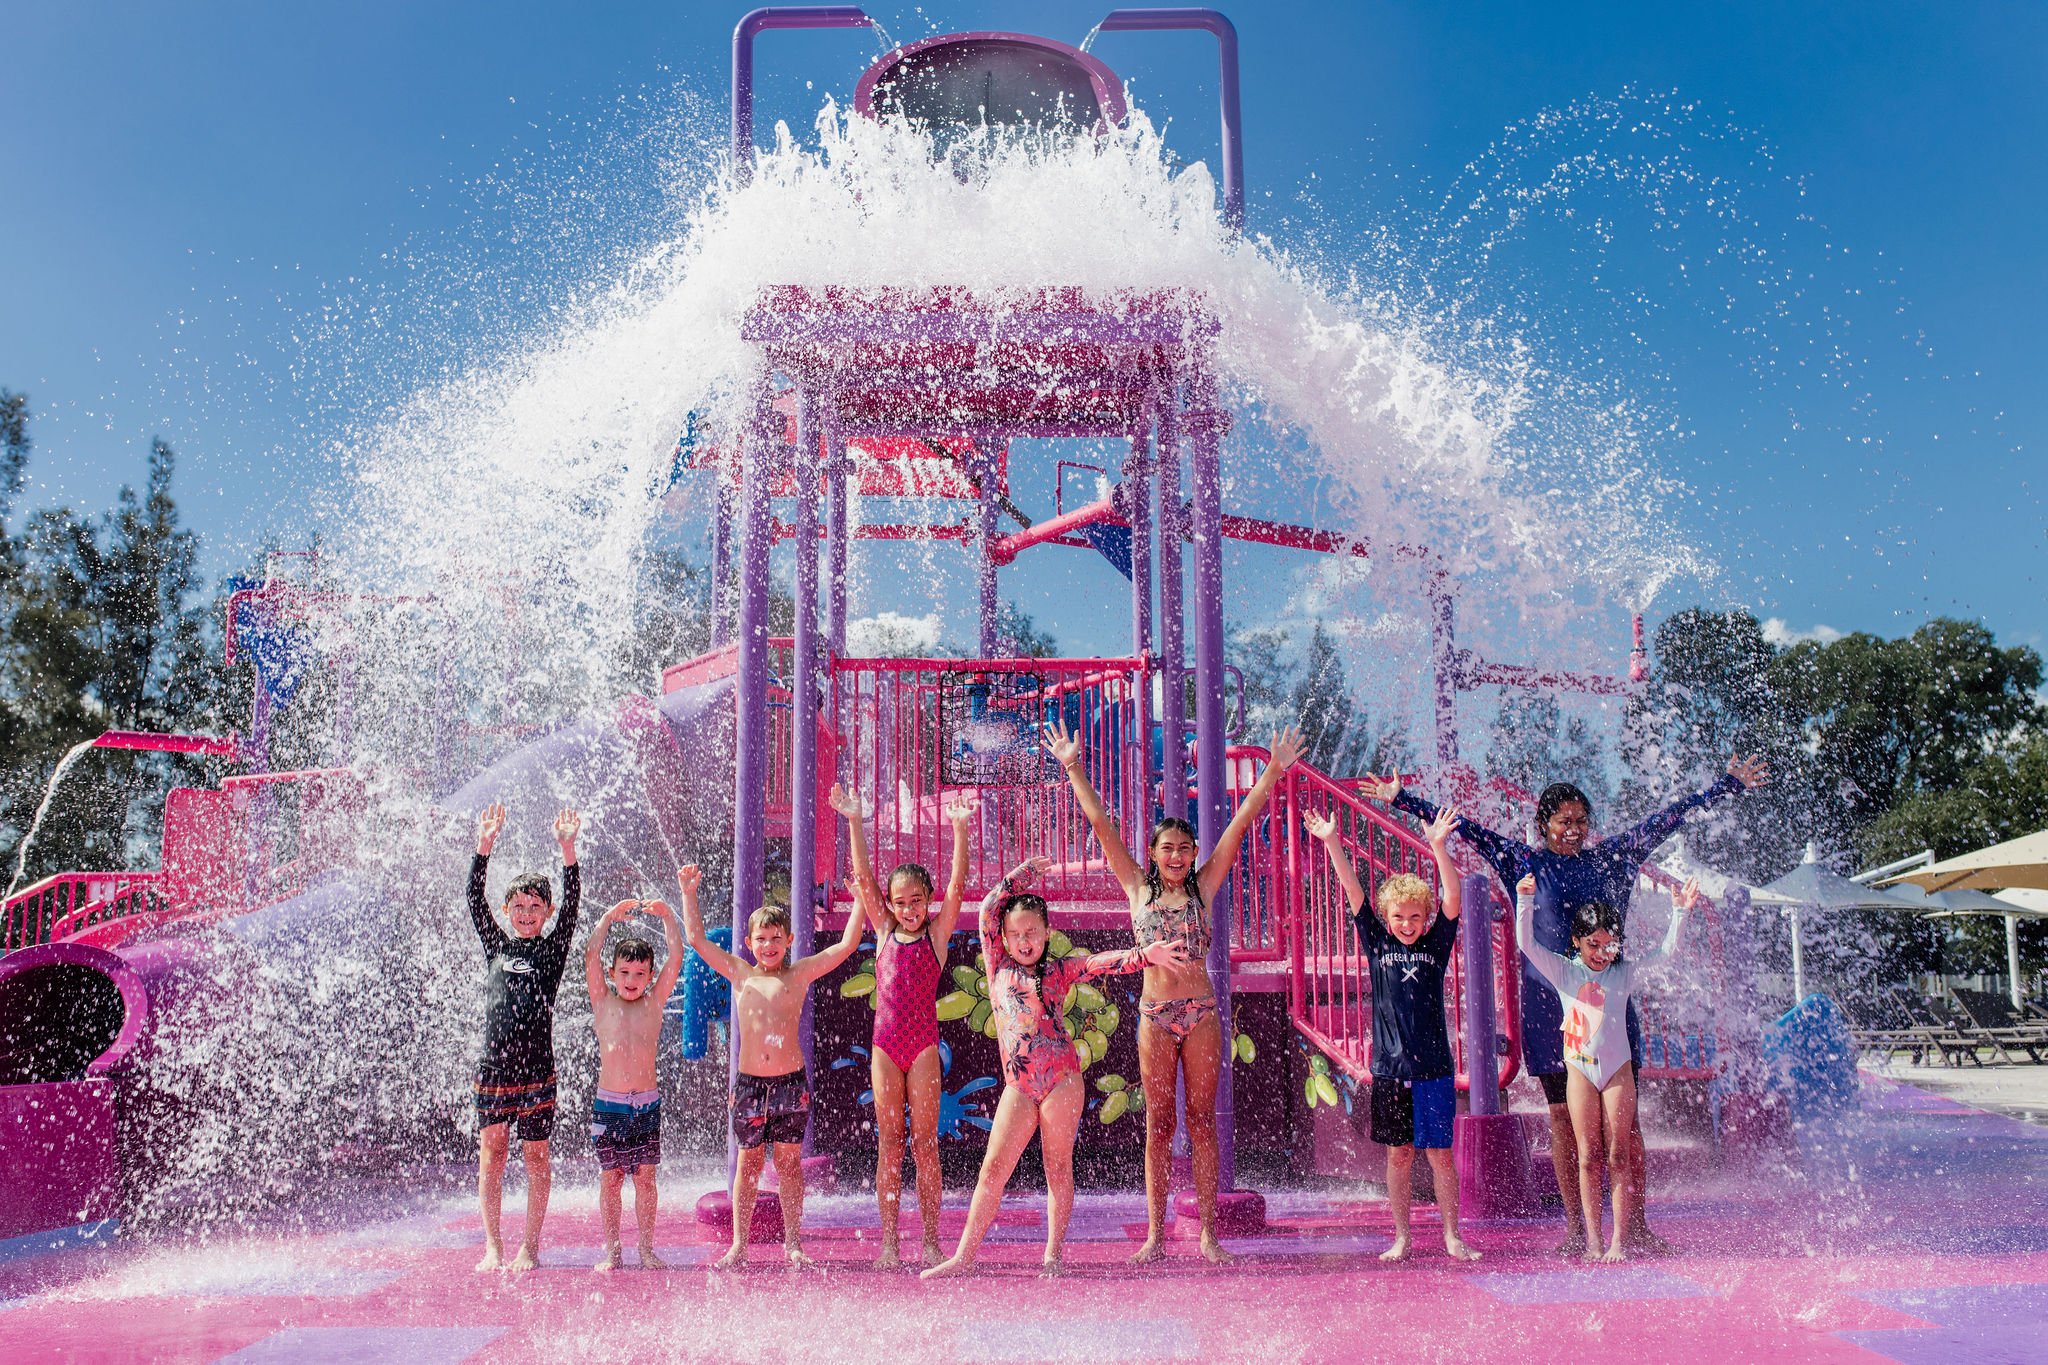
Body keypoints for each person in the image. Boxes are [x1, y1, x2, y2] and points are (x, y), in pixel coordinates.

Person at [1358, 756, 1766, 1255]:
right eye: (1562, 820)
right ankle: (1577, 1229)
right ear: (1543, 824)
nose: (1573, 829)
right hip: (1549, 1012)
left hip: (1610, 1009)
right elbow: (1465, 828)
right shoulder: (1523, 862)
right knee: (1561, 1119)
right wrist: (1401, 799)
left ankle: (1635, 1226)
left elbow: (1668, 819)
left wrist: (1725, 785)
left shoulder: (1614, 858)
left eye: (1580, 820)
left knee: (1626, 1125)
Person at [1045, 718, 1305, 1265]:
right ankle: (1155, 1236)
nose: (1178, 856)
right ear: (1154, 851)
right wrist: (1072, 766)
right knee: (1159, 1126)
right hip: (1156, 1016)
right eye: (1168, 848)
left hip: (1202, 1013)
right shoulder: (1136, 888)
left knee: (1203, 1123)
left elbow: (1238, 825)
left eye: (1185, 848)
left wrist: (1272, 772)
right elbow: (1100, 824)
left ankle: (1208, 1235)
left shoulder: (1204, 886)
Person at [923, 859, 1188, 1279]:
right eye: (1016, 934)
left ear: (1047, 933)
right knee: (993, 1168)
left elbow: (1098, 963)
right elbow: (988, 907)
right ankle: (964, 1256)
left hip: (1062, 1080)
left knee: (1057, 1166)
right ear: (1004, 938)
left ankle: (1052, 1254)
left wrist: (1145, 955)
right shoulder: (998, 966)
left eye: (1032, 932)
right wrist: (1021, 876)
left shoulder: (1058, 971)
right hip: (1020, 1085)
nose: (1024, 940)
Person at [1305, 804, 1482, 1262]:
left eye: (1415, 917)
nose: (1407, 925)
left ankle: (1452, 1236)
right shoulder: (1378, 942)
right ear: (1387, 919)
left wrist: (1438, 847)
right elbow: (1353, 889)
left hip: (1434, 1070)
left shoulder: (1436, 945)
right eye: (1399, 917)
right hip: (1389, 1070)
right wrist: (1331, 841)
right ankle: (1402, 1236)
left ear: (1425, 919)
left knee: (1439, 1155)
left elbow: (1453, 897)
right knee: (1398, 1155)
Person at [678, 866, 865, 1270]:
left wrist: (861, 901)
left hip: (789, 1086)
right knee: (747, 1166)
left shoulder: (798, 975)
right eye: (761, 939)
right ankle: (739, 1245)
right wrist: (689, 893)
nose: (768, 945)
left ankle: (793, 1243)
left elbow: (848, 945)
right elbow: (696, 940)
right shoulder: (741, 975)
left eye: (776, 938)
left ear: (789, 940)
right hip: (749, 1087)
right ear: (748, 943)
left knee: (788, 1166)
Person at [828, 782, 976, 1269]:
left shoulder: (936, 936)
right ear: (889, 905)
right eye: (900, 902)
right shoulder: (885, 930)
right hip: (886, 1046)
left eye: (916, 901)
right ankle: (890, 1242)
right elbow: (864, 877)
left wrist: (959, 831)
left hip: (923, 1046)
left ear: (928, 900)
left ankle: (931, 1241)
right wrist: (854, 820)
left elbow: (958, 887)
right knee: (890, 1145)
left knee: (925, 1145)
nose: (909, 910)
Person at [1517, 873, 1698, 1262]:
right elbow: (1526, 944)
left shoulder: (1624, 973)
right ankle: (1594, 1241)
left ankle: (1618, 1241)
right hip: (1580, 1072)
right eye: (1593, 945)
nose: (1601, 953)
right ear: (1576, 942)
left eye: (1610, 945)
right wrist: (1525, 902)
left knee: (1618, 1154)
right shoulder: (1565, 972)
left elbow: (1666, 954)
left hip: (1617, 1071)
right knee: (1588, 1157)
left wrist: (1680, 913)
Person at [467, 802, 581, 1272]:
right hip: (495, 1069)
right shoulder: (496, 945)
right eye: (519, 907)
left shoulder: (552, 950)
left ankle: (529, 1247)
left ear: (546, 911)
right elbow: (473, 899)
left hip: (537, 1069)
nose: (527, 913)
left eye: (536, 907)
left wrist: (568, 850)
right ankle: (493, 1246)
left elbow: (573, 907)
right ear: (507, 911)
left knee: (536, 1155)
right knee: (492, 1153)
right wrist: (484, 845)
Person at [582, 891, 686, 1271]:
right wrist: (607, 918)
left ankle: (645, 1248)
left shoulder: (654, 1002)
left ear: (650, 977)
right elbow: (590, 955)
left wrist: (668, 917)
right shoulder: (602, 1001)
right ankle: (612, 1249)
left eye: (640, 974)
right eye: (624, 972)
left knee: (645, 1179)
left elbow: (677, 957)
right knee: (610, 1179)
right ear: (612, 974)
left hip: (646, 1104)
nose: (631, 980)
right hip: (608, 1105)